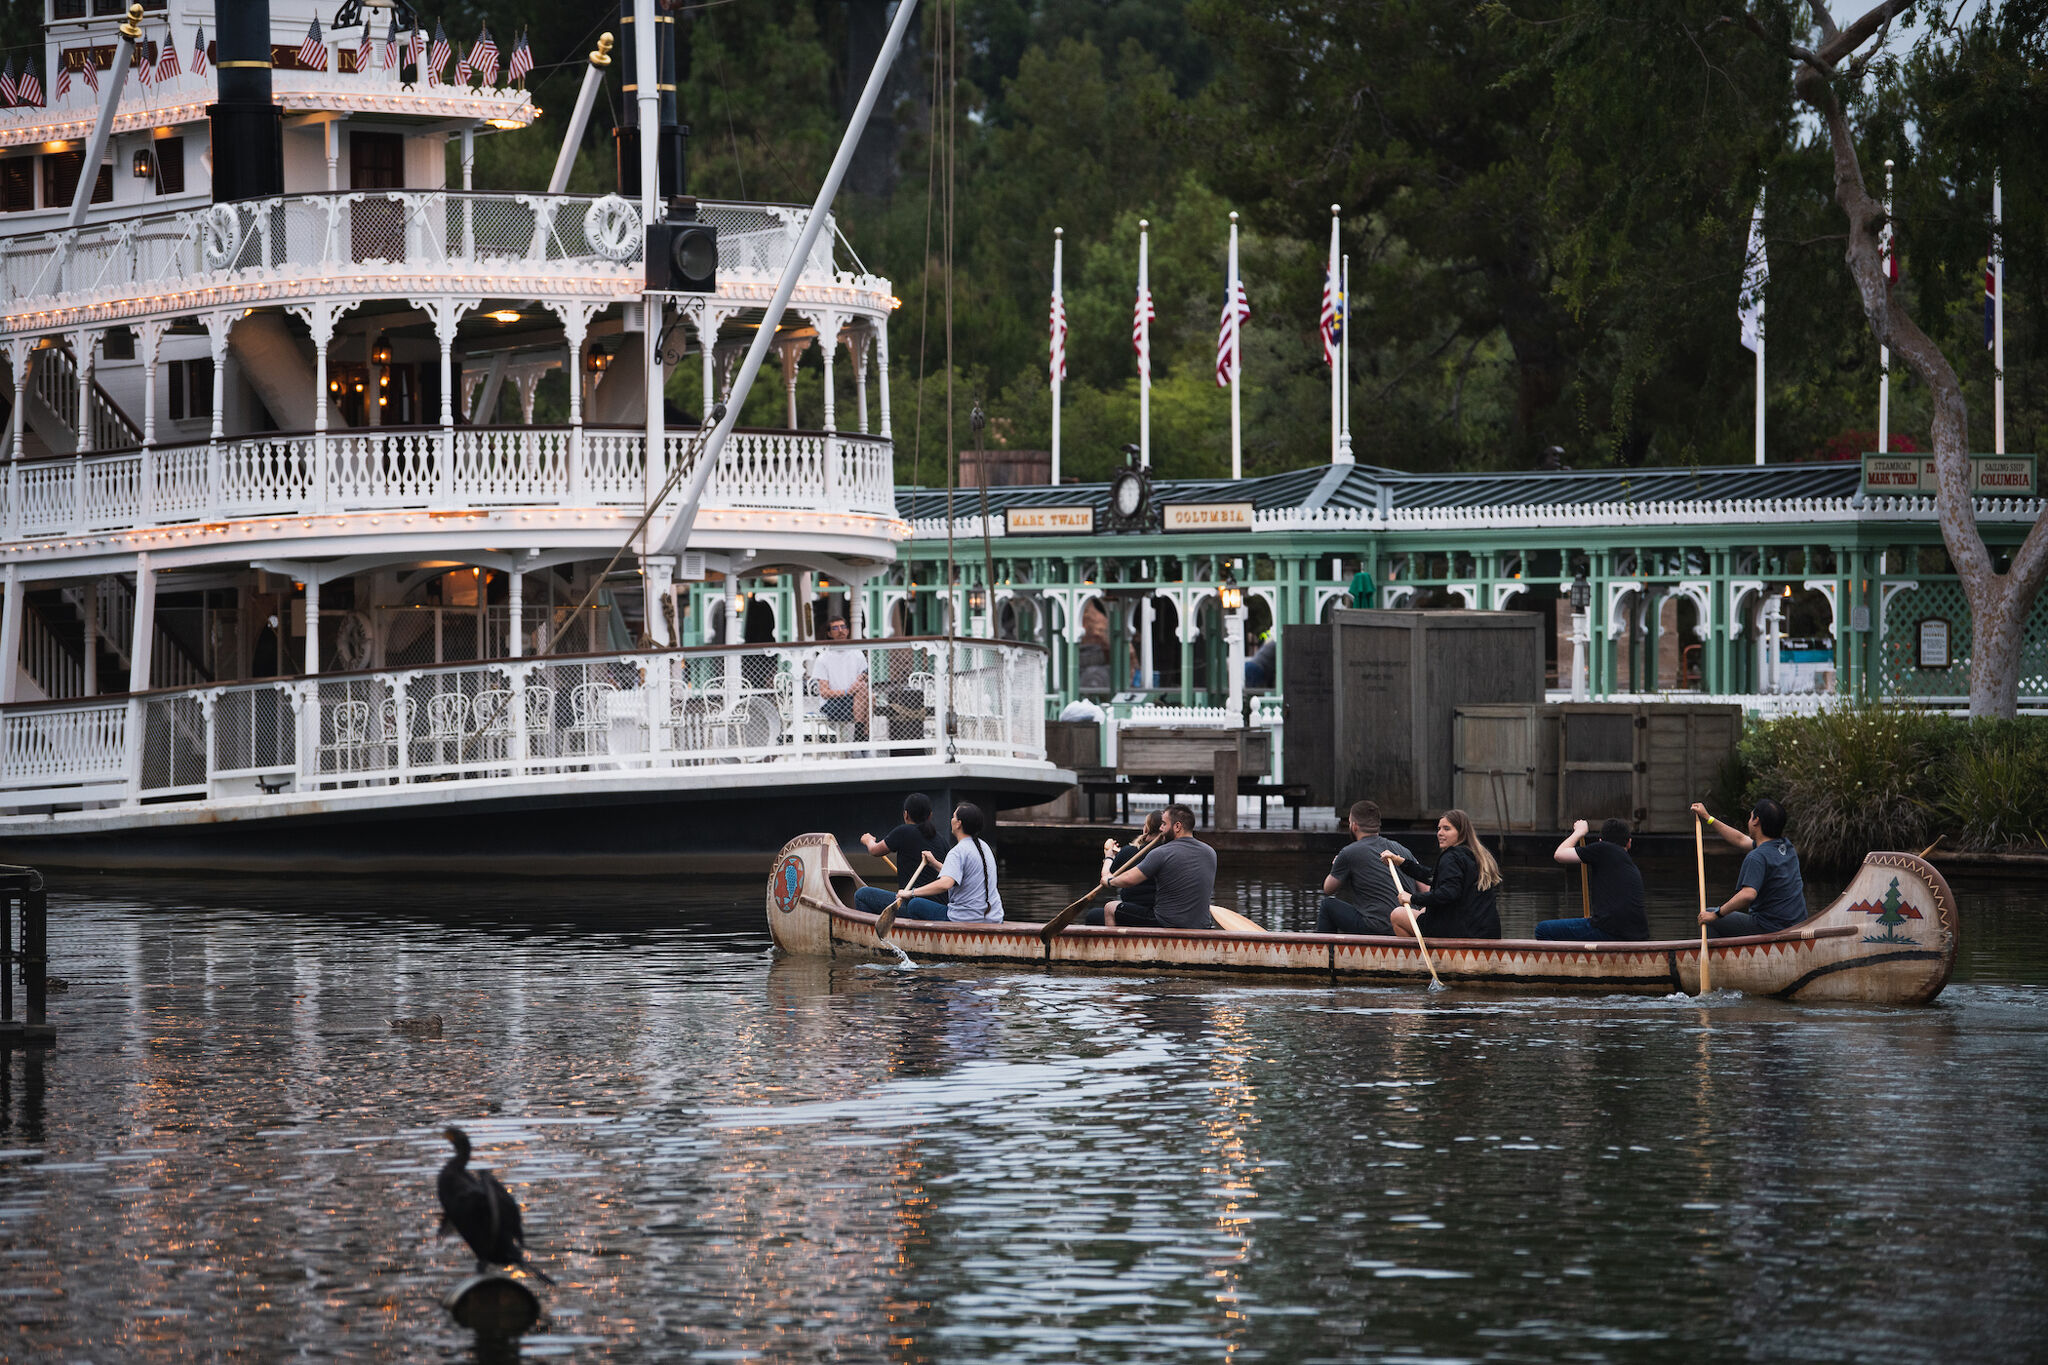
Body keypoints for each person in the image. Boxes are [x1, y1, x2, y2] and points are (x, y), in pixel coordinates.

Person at [1693, 797, 1808, 937]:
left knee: (1708, 916)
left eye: (1751, 816)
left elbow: (1748, 894)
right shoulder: (1786, 846)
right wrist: (1708, 818)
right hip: (1798, 924)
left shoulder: (1757, 857)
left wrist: (1716, 914)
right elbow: (1740, 839)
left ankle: (1718, 958)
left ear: (1756, 821)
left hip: (1770, 928)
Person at [1385, 808, 1502, 940]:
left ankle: (1418, 959)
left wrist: (1412, 898)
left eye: (1447, 829)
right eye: (1439, 828)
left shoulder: (1451, 856)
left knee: (1398, 915)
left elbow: (1449, 892)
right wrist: (1401, 862)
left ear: (1461, 832)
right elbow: (1433, 877)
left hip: (1460, 931)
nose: (1440, 833)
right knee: (1424, 910)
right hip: (1487, 931)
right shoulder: (1479, 855)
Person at [888, 802, 1004, 923]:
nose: (951, 820)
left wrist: (911, 893)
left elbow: (945, 884)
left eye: (954, 817)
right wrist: (934, 863)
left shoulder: (957, 851)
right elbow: (956, 876)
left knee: (915, 904)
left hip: (965, 919)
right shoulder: (984, 847)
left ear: (959, 824)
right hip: (994, 918)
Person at [1315, 800, 1419, 935]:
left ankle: (1323, 955)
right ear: (1378, 825)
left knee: (1327, 906)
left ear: (1354, 826)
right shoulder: (1403, 850)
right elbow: (1426, 888)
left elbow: (1328, 889)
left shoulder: (1348, 852)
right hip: (1408, 925)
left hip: (1377, 927)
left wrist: (1338, 866)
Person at [1536, 817, 1649, 941]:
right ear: (1629, 843)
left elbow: (1559, 854)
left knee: (1542, 930)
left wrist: (1579, 832)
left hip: (1609, 931)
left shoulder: (1603, 848)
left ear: (1600, 841)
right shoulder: (1630, 865)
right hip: (1638, 934)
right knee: (1586, 924)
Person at [1107, 803, 1217, 930]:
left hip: (1165, 922)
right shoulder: (1210, 852)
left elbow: (1129, 879)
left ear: (1177, 826)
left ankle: (1116, 949)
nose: (1161, 828)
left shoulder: (1162, 852)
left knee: (1110, 907)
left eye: (1164, 824)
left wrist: (1109, 881)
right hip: (1202, 925)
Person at [853, 793, 948, 917]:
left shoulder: (904, 831)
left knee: (862, 895)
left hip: (914, 906)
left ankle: (872, 935)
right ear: (930, 815)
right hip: (937, 908)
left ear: (906, 814)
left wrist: (868, 840)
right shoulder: (942, 840)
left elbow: (875, 850)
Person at [1084, 812, 1165, 926]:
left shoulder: (1129, 851)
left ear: (1146, 829)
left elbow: (1106, 876)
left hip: (1137, 913)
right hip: (1163, 913)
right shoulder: (1169, 851)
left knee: (1093, 915)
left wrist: (1108, 856)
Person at [809, 616, 870, 730]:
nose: (840, 630)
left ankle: (860, 733)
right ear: (829, 634)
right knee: (868, 699)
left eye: (843, 627)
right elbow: (824, 693)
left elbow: (864, 681)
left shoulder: (857, 654)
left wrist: (860, 683)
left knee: (868, 696)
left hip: (855, 702)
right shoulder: (823, 658)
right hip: (831, 705)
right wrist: (848, 691)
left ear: (847, 630)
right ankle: (863, 735)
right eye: (835, 628)